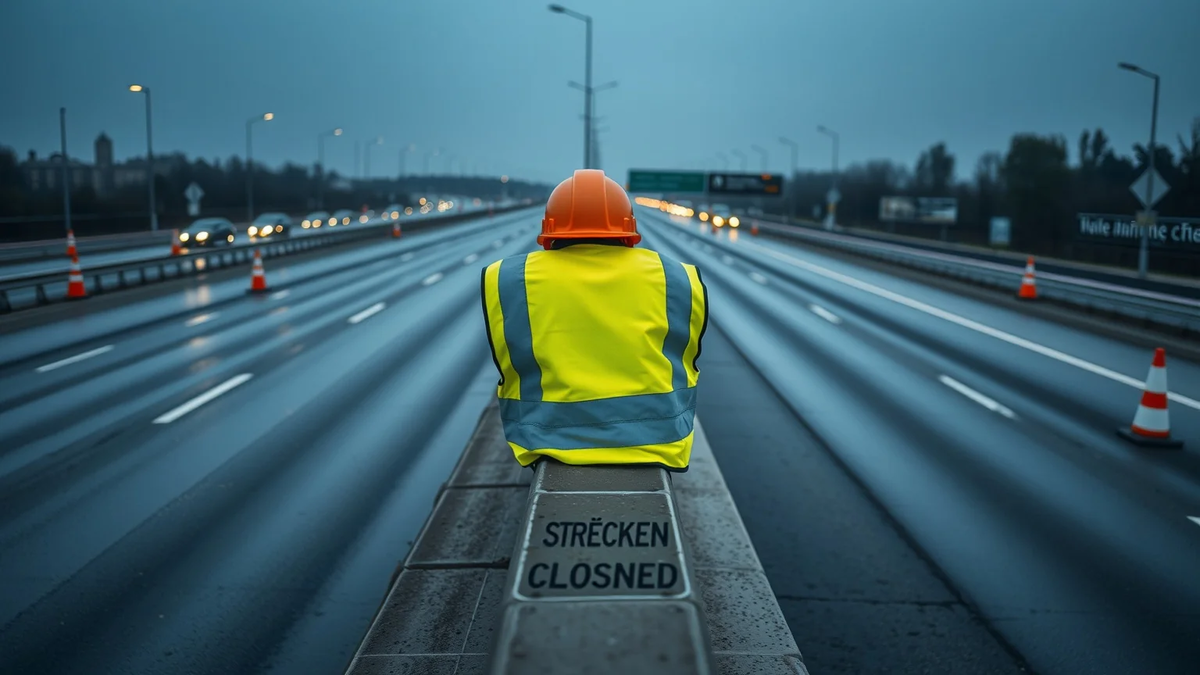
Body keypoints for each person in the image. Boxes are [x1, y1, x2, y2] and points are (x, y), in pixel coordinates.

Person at [480, 169, 708, 470]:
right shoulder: (677, 277)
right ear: (629, 232)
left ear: (549, 233)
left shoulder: (507, 279)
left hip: (544, 440)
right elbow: (687, 358)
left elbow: (508, 363)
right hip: (660, 441)